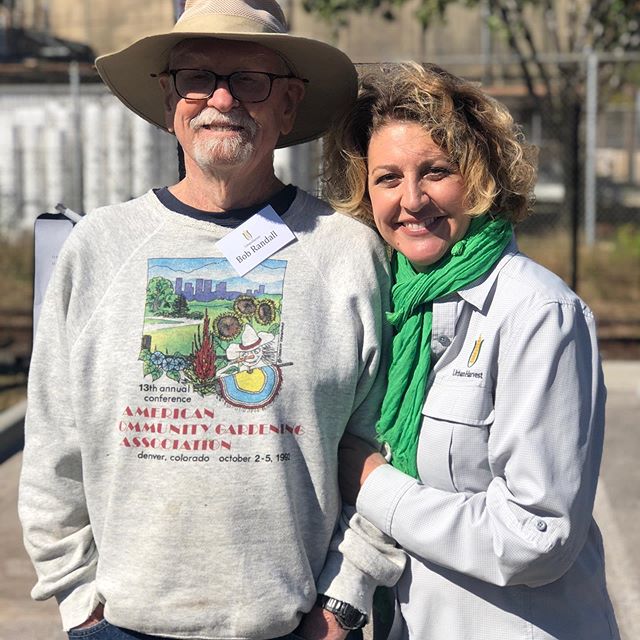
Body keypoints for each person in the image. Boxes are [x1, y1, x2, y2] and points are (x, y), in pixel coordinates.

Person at [18, 1, 405, 638]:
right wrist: (75, 598)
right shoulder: (99, 248)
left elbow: (387, 440)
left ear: (289, 104)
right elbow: (53, 441)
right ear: (170, 98)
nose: (220, 98)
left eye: (250, 80)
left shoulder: (348, 252)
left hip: (294, 626)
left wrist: (345, 598)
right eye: (197, 77)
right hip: (119, 625)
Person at [323, 63, 620, 640]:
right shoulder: (392, 307)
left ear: (480, 179)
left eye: (435, 172)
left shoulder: (537, 313)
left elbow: (537, 535)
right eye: (387, 178)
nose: (411, 200)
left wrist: (376, 486)